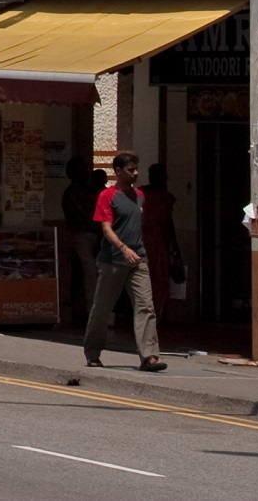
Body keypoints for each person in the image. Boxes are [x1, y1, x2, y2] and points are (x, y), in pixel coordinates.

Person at [85, 151, 165, 371]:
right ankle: (93, 352)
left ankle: (149, 356)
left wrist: (136, 251)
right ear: (118, 171)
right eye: (130, 170)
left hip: (138, 259)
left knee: (146, 307)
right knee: (102, 308)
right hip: (112, 260)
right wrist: (122, 248)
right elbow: (106, 228)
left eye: (136, 169)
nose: (135, 173)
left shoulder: (139, 195)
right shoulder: (107, 196)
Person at [60, 158, 106, 325]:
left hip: (89, 234)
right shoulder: (74, 193)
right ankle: (91, 309)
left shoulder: (85, 190)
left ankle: (86, 307)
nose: (88, 172)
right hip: (82, 235)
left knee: (85, 273)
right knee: (90, 273)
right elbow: (87, 217)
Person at [140, 162, 179, 318]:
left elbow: (168, 223)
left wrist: (175, 246)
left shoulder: (165, 197)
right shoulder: (141, 194)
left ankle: (154, 312)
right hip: (145, 240)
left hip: (158, 242)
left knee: (158, 278)